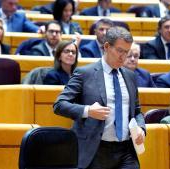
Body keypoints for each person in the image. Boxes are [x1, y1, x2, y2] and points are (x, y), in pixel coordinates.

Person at [53, 27, 146, 169]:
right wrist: (87, 110)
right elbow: (59, 105)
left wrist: (141, 127)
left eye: (126, 52)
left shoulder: (130, 76)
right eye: (120, 51)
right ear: (107, 46)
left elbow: (137, 111)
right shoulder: (85, 73)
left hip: (126, 151)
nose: (123, 57)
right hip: (95, 149)